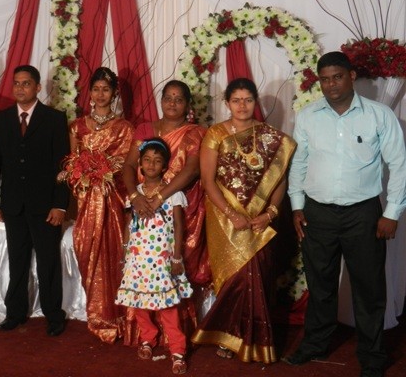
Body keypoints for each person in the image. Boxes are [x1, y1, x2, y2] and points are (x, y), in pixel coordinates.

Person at [284, 52, 406, 377]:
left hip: (363, 214)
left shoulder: (379, 115)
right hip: (317, 213)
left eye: (337, 77)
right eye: (325, 79)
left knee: (369, 287)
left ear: (351, 76)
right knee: (320, 283)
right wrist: (297, 206)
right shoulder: (308, 116)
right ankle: (315, 343)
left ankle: (372, 355)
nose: (331, 84)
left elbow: (399, 164)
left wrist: (392, 212)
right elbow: (299, 163)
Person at [191, 77, 296, 363]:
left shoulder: (271, 137)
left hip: (259, 219)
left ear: (255, 102)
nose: (242, 105)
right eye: (236, 100)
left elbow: (279, 182)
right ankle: (229, 334)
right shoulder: (215, 133)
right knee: (234, 278)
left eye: (248, 100)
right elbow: (208, 181)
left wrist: (270, 214)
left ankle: (252, 339)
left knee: (257, 276)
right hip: (224, 218)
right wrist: (232, 214)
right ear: (227, 103)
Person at [122, 80, 210, 342]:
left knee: (178, 268)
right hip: (143, 205)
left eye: (179, 99)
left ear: (188, 104)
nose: (172, 103)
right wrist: (135, 196)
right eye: (168, 98)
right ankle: (148, 334)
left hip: (181, 206)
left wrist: (160, 197)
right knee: (143, 270)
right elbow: (129, 166)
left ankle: (178, 335)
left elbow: (192, 169)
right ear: (160, 100)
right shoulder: (145, 129)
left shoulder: (195, 132)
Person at [0, 64, 70, 337]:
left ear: (38, 87)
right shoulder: (1, 119)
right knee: (17, 261)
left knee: (48, 262)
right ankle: (15, 312)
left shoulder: (54, 119)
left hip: (45, 206)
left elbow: (63, 166)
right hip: (13, 205)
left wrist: (60, 204)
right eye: (17, 83)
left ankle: (53, 314)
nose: (20, 88)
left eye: (26, 83)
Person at [61, 67, 134, 343]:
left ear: (114, 93)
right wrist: (82, 174)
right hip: (86, 201)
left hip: (112, 201)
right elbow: (72, 163)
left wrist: (103, 173)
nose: (100, 94)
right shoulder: (77, 126)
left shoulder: (124, 128)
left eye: (106, 89)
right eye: (96, 89)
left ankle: (114, 315)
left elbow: (126, 166)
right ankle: (95, 311)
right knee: (86, 249)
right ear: (89, 93)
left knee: (112, 253)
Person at [116, 138, 191, 375]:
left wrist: (176, 258)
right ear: (139, 164)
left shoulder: (172, 193)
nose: (151, 165)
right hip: (138, 259)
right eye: (147, 160)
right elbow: (129, 224)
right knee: (139, 303)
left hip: (161, 261)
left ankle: (177, 350)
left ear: (165, 166)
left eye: (157, 161)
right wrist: (125, 253)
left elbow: (178, 226)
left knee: (167, 306)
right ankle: (148, 337)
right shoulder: (135, 195)